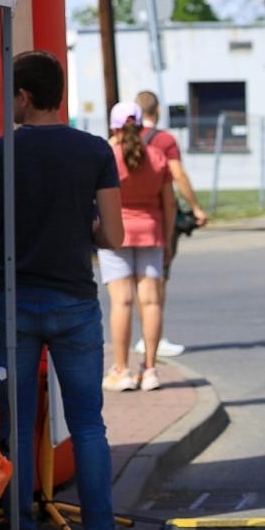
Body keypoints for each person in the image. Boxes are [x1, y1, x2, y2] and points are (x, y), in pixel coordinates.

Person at [0, 49, 134, 530]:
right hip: (74, 301)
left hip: (14, 300)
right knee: (88, 425)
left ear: (23, 96)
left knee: (15, 426)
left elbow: (0, 235)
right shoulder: (92, 152)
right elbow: (113, 235)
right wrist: (80, 226)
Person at [100, 101, 176, 392]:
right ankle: (150, 369)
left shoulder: (108, 155)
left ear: (114, 127)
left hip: (115, 233)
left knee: (122, 302)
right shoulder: (157, 156)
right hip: (151, 232)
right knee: (151, 302)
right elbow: (168, 202)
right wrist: (167, 240)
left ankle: (122, 370)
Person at [134, 90, 207, 359]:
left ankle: (143, 337)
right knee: (157, 280)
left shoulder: (123, 138)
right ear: (158, 110)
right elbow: (178, 175)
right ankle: (153, 338)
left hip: (126, 220)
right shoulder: (164, 140)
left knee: (132, 284)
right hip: (156, 220)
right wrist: (196, 207)